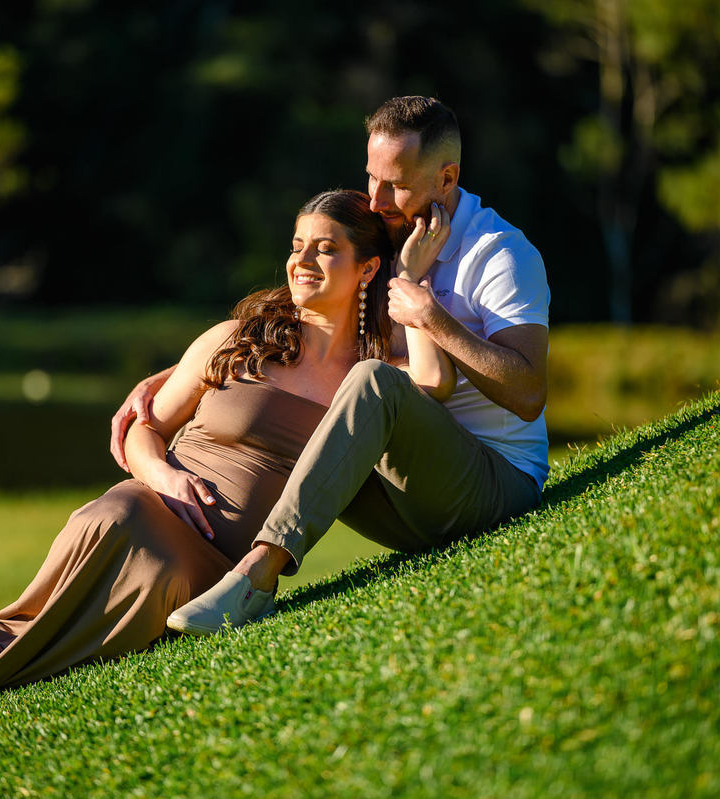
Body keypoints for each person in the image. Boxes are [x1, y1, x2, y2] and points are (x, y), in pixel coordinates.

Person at [0, 189, 452, 731]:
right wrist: (164, 477)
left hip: (224, 568)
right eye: (297, 246)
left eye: (325, 249)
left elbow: (432, 383)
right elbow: (144, 428)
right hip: (149, 503)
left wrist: (415, 285)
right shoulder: (235, 339)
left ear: (368, 267)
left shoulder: (370, 380)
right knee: (116, 523)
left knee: (160, 573)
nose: (302, 261)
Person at [112, 97, 550, 635]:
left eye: (396, 185)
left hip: (491, 483)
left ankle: (259, 575)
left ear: (447, 177)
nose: (377, 199)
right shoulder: (390, 230)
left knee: (368, 380)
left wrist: (427, 312)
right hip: (400, 487)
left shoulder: (501, 254)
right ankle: (195, 569)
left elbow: (528, 393)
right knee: (304, 404)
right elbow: (311, 300)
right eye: (372, 178)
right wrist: (185, 370)